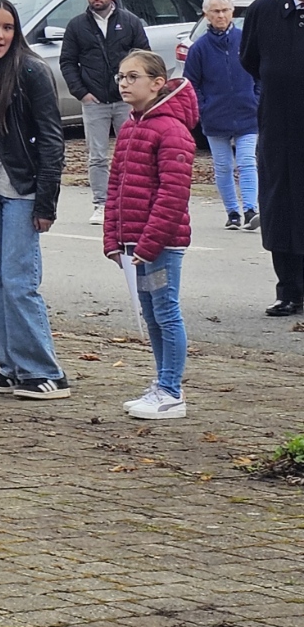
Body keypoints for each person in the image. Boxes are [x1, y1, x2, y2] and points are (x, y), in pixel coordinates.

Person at [0, 0, 69, 400]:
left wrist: (46, 202)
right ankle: (11, 367)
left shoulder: (32, 71)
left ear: (15, 31)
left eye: (6, 27)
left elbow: (52, 139)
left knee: (19, 282)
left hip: (21, 189)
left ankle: (44, 371)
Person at [104, 50, 198, 420]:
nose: (124, 84)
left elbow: (173, 194)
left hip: (160, 243)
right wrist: (113, 237)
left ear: (157, 84)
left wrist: (149, 243)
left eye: (133, 77)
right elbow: (116, 186)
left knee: (166, 311)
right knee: (150, 313)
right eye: (121, 77)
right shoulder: (131, 126)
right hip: (136, 243)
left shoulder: (171, 129)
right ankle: (161, 383)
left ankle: (171, 390)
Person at [239, 0, 304, 317]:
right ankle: (289, 291)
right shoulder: (264, 10)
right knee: (280, 208)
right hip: (277, 127)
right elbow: (250, 59)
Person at [58, 0, 149, 226]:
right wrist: (82, 92)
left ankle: (129, 201)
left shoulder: (130, 22)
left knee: (130, 152)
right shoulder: (77, 26)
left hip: (125, 101)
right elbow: (67, 61)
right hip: (94, 101)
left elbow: (143, 56)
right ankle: (101, 203)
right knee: (97, 156)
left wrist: (134, 89)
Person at [184, 0, 259, 232]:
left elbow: (260, 73)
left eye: (225, 10)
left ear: (232, 13)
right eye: (215, 11)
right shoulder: (199, 49)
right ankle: (232, 212)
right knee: (223, 166)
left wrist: (257, 98)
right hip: (215, 116)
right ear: (206, 15)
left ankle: (250, 209)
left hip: (248, 113)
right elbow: (191, 83)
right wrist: (203, 107)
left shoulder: (245, 40)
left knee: (247, 161)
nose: (221, 15)